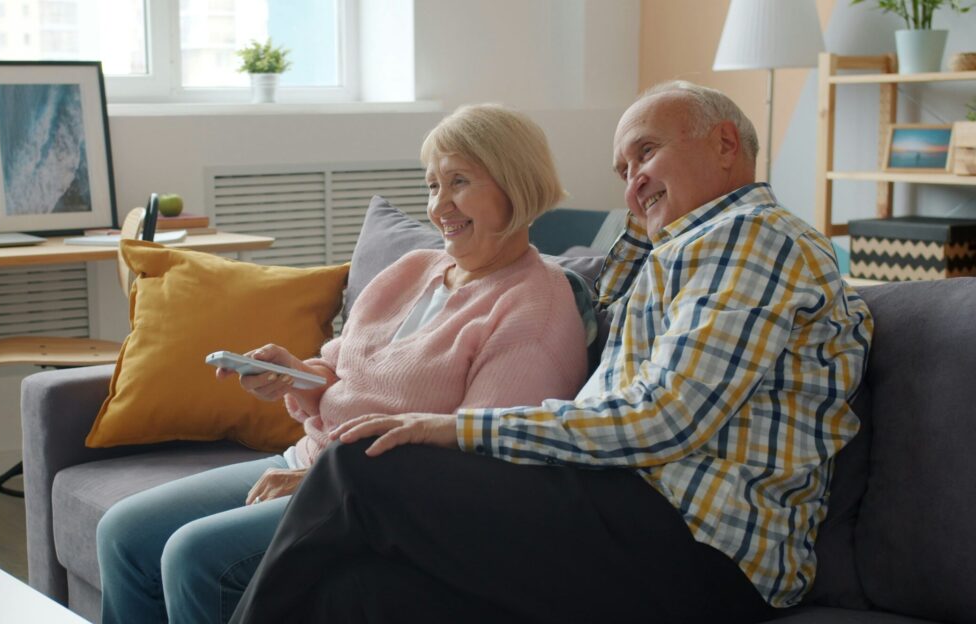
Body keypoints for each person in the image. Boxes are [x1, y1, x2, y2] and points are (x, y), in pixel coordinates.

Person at [229, 81, 874, 624]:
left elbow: (666, 418)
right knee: (357, 595)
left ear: (726, 145)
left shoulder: (752, 238)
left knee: (359, 465)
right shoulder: (675, 252)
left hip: (701, 546)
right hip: (616, 513)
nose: (632, 183)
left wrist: (453, 429)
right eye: (623, 171)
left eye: (646, 153)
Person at [96, 103, 593, 624]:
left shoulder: (534, 312)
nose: (438, 205)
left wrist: (325, 485)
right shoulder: (416, 268)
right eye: (432, 186)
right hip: (312, 461)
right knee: (124, 535)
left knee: (194, 557)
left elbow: (471, 461)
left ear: (516, 183)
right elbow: (343, 367)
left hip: (374, 500)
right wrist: (295, 374)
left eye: (459, 182)